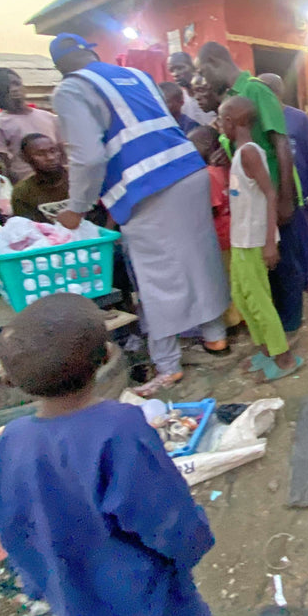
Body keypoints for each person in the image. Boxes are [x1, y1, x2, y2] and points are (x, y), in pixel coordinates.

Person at [0, 294, 252, 616]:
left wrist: (41, 581)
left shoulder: (12, 441)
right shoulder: (119, 428)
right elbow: (162, 513)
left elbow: (12, 523)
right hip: (146, 576)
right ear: (105, 357)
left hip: (74, 587)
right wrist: (190, 547)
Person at [49, 33, 230, 396]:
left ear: (59, 66)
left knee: (155, 278)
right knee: (199, 259)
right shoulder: (135, 75)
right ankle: (215, 337)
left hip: (146, 187)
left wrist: (77, 207)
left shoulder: (71, 89)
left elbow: (88, 157)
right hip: (188, 170)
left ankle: (167, 366)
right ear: (90, 52)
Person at [197, 42, 305, 336]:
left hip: (276, 191)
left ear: (214, 61)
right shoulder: (231, 100)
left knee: (285, 264)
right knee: (267, 267)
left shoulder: (256, 90)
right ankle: (274, 331)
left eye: (203, 71)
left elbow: (281, 143)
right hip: (256, 200)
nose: (203, 80)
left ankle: (290, 330)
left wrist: (285, 197)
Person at [218, 96, 302, 378]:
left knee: (258, 300)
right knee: (241, 297)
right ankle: (267, 349)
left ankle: (284, 358)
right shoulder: (239, 152)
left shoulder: (250, 153)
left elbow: (270, 193)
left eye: (221, 120)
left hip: (253, 241)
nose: (219, 126)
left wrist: (269, 242)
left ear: (231, 121)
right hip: (240, 239)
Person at [258, 72, 308, 291]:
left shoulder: (298, 118)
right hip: (273, 191)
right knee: (282, 239)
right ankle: (288, 281)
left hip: (301, 191)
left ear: (277, 92)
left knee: (305, 236)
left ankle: (306, 276)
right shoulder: (258, 121)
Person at [189, 124, 241, 330]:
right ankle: (243, 316)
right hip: (234, 232)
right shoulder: (227, 168)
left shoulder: (209, 174)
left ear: (208, 146)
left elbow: (210, 210)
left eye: (193, 145)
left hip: (219, 238)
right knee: (237, 277)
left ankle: (232, 321)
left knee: (224, 281)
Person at [0, 68, 63, 183]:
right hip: (26, 185)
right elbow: (4, 164)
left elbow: (62, 150)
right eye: (5, 87)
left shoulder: (48, 117)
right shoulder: (1, 124)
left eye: (16, 84)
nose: (14, 89)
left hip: (58, 182)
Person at [10, 133, 68, 221]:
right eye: (40, 154)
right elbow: (27, 225)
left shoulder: (81, 178)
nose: (50, 158)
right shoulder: (23, 192)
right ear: (25, 158)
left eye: (53, 151)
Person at [168, 50, 217, 125]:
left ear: (193, 67)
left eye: (180, 68)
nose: (175, 74)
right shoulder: (179, 101)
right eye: (171, 70)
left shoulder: (213, 91)